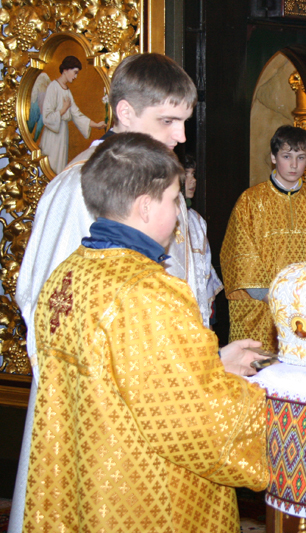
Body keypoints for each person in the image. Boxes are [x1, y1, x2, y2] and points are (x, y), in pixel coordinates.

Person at [21, 132, 269, 532]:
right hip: (144, 495)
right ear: (145, 206)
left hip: (85, 483)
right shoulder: (149, 291)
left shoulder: (67, 276)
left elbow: (131, 378)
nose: (179, 212)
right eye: (173, 200)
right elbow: (191, 420)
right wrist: (272, 406)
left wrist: (212, 363)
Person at [10, 53, 213, 533]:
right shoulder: (79, 188)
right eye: (168, 121)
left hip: (163, 389)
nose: (181, 137)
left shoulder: (160, 182)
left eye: (185, 122)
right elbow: (48, 301)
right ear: (125, 113)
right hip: (99, 405)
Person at [221, 126, 306, 352]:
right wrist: (272, 297)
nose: (293, 165)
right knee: (257, 366)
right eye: (286, 156)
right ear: (273, 157)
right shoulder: (250, 201)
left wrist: (305, 297)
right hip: (260, 307)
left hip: (304, 307)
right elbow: (241, 256)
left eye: (300, 157)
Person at [39, 56, 106, 173]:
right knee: (52, 167)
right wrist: (63, 110)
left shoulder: (67, 90)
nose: (75, 76)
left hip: (62, 133)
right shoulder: (53, 87)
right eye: (75, 72)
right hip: (52, 135)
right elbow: (46, 117)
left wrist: (96, 125)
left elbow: (76, 114)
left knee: (60, 167)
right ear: (66, 70)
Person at [183, 154, 224, 324]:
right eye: (186, 174)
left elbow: (205, 270)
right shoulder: (164, 219)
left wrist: (210, 321)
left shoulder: (197, 220)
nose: (193, 180)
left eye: (193, 174)